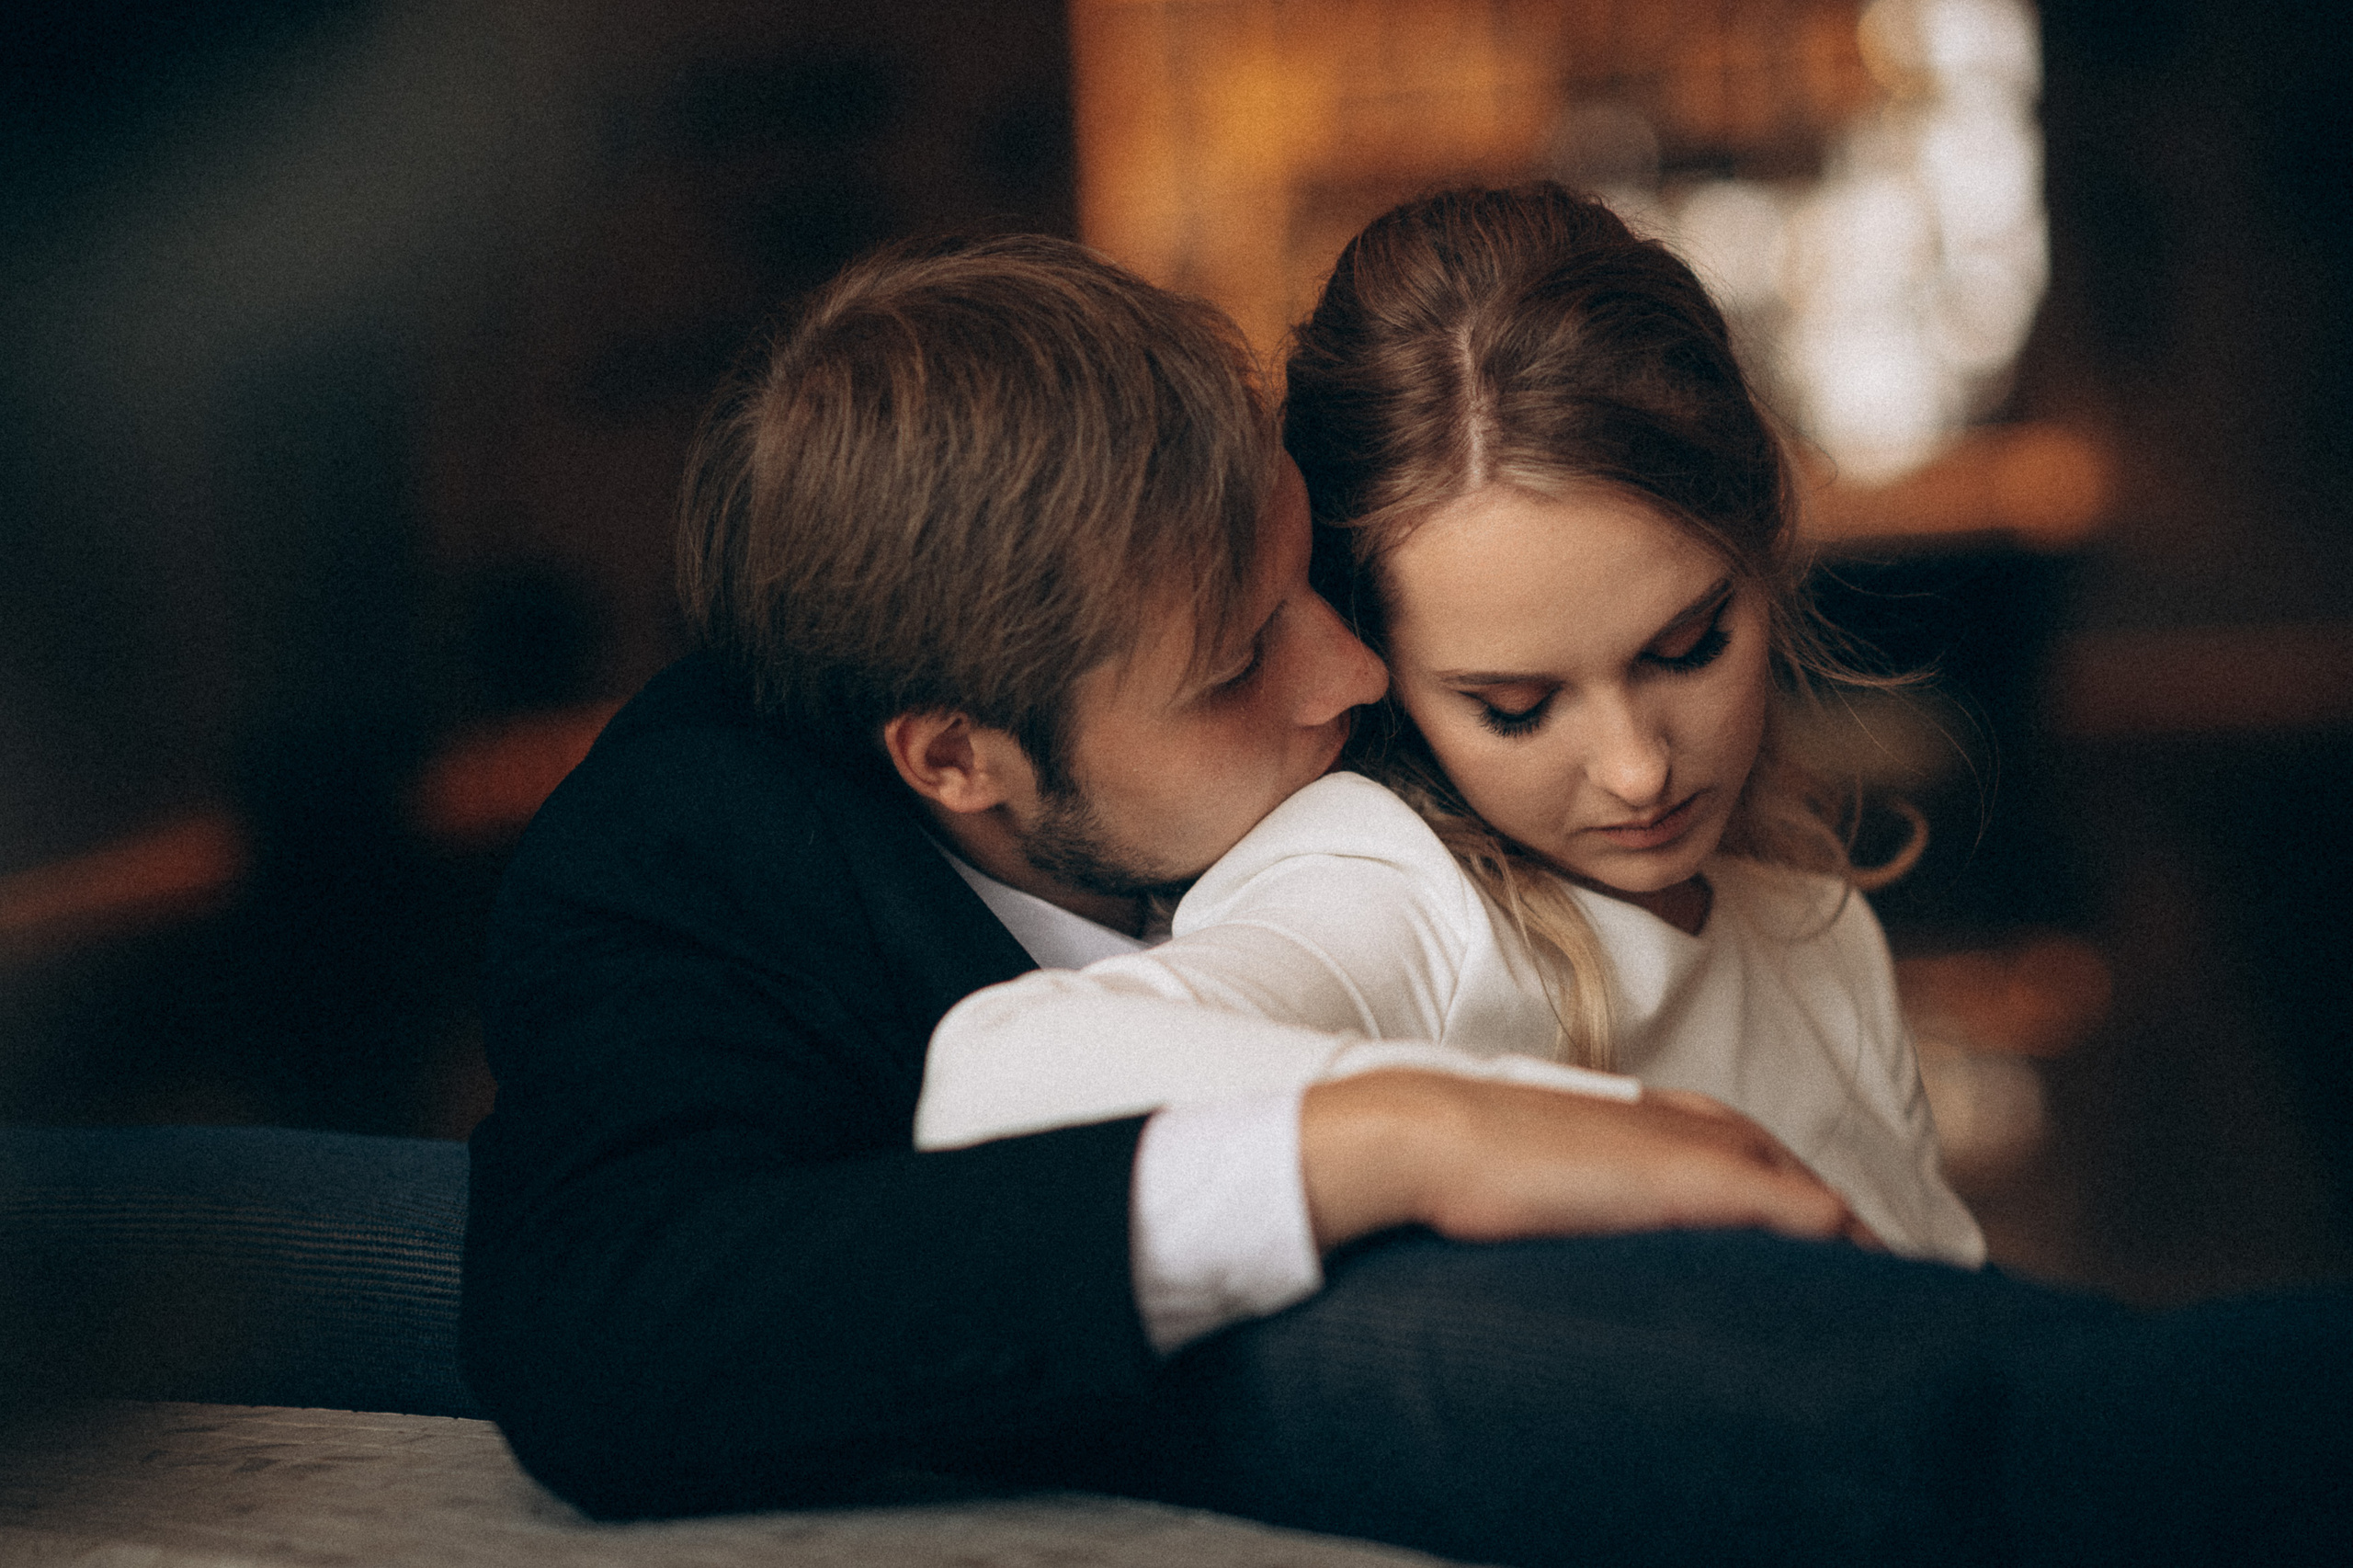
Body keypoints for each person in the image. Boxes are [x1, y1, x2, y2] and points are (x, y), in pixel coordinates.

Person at [463, 228, 2349, 1567]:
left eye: (1322, 583)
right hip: (924, 1290)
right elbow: (612, 1335)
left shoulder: (1538, 787)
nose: (1353, 673)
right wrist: (1421, 1136)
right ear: (960, 760)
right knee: (385, 1255)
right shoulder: (690, 860)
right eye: (1237, 664)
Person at [916, 183, 1979, 1267]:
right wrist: (1471, 1127)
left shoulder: (1821, 931)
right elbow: (995, 1083)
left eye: (1689, 646)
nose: (1636, 769)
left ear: (1764, 538)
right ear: (1382, 658)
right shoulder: (1387, 885)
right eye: (1513, 707)